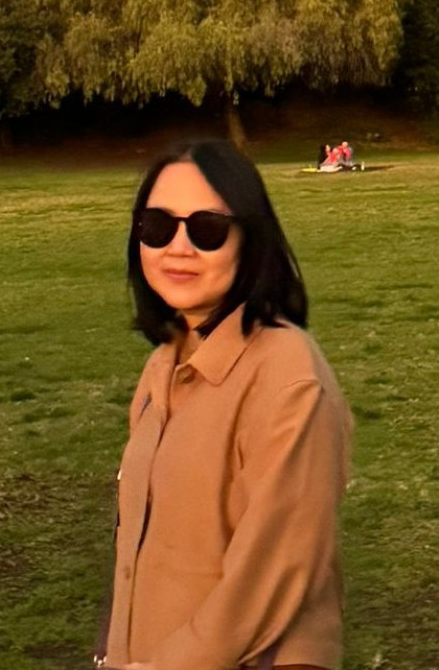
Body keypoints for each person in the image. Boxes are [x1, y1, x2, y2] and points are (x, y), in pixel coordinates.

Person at [102, 140, 353, 670]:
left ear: (250, 240)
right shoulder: (163, 366)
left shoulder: (287, 375)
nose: (178, 248)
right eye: (157, 226)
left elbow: (272, 574)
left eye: (207, 229)